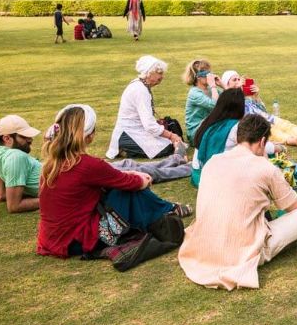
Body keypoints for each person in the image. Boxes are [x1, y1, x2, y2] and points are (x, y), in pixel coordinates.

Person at [178, 114, 297, 290]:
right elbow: (293, 206)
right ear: (262, 142)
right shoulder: (265, 167)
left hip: (203, 247)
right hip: (241, 252)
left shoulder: (213, 162)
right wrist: (266, 161)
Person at [37, 105, 189, 265]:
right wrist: (141, 178)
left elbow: (115, 178)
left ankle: (167, 209)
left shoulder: (50, 166)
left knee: (120, 185)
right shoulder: (87, 165)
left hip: (52, 240)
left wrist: (132, 176)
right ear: (89, 135)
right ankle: (166, 210)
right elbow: (135, 183)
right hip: (76, 242)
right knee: (129, 191)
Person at [222, 70, 297, 146]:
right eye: (234, 80)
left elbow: (263, 111)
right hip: (253, 123)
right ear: (226, 84)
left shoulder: (246, 96)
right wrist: (237, 91)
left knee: (286, 124)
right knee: (274, 131)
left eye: (238, 79)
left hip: (265, 117)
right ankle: (294, 141)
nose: (238, 82)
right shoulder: (226, 98)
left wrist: (256, 96)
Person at [106, 56, 184, 160]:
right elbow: (149, 125)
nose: (162, 77)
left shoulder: (140, 85)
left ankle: (127, 148)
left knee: (169, 141)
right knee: (166, 148)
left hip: (136, 129)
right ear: (149, 73)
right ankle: (125, 148)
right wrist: (171, 136)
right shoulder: (140, 90)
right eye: (159, 73)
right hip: (128, 133)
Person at [190, 88, 245, 187]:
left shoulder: (207, 121)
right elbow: (255, 147)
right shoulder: (235, 127)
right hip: (215, 178)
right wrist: (278, 147)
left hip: (197, 174)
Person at [0, 115, 41, 213]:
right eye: (24, 136)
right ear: (7, 139)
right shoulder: (16, 156)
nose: (30, 140)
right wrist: (51, 201)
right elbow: (14, 206)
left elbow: (0, 195)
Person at [183, 59, 224, 143]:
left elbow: (231, 99)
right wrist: (213, 86)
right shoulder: (194, 93)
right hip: (196, 131)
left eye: (210, 72)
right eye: (206, 74)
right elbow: (214, 105)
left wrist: (223, 85)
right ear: (197, 76)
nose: (210, 76)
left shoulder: (210, 89)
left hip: (209, 126)